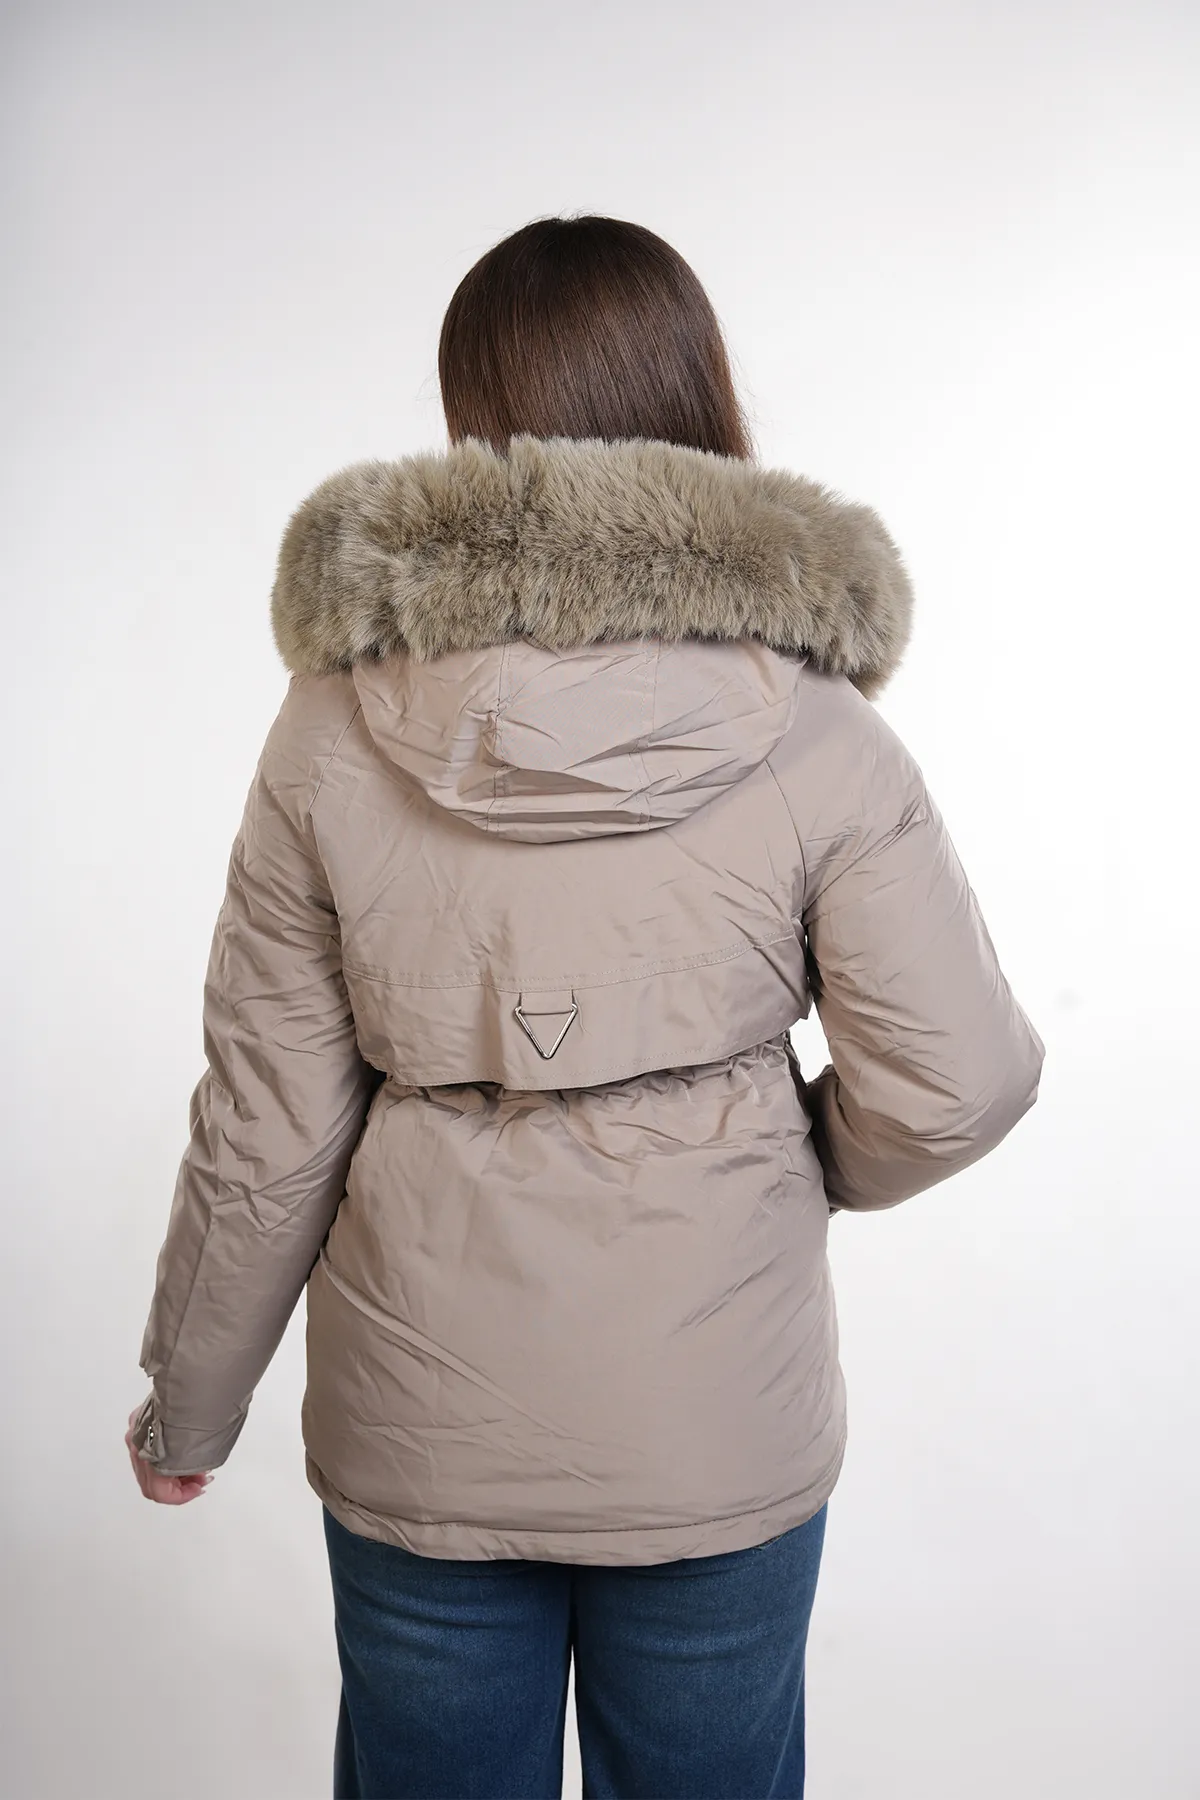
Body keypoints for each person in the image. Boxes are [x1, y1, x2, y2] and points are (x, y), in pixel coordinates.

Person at [126, 215, 1044, 1799]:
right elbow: (957, 1080)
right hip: (718, 1424)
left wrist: (187, 1406)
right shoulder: (814, 720)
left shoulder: (334, 722)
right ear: (700, 393)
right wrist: (789, 1156)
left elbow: (270, 1120)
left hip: (425, 1431)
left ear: (473, 417)